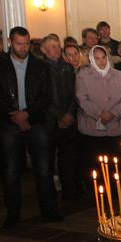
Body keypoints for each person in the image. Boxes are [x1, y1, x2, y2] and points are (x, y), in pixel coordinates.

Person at [0, 27, 62, 227]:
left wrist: (27, 114)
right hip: (9, 122)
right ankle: (13, 212)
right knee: (11, 169)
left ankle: (49, 209)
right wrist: (15, 115)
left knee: (44, 168)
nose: (24, 47)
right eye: (19, 44)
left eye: (27, 43)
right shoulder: (1, 64)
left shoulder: (39, 65)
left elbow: (46, 96)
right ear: (10, 42)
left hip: (36, 121)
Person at [76, 45, 121, 189]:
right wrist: (100, 113)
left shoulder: (119, 75)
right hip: (92, 128)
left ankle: (116, 192)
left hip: (115, 127)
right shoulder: (83, 76)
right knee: (95, 166)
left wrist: (113, 113)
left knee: (116, 165)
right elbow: (82, 99)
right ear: (91, 59)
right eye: (97, 59)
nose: (101, 62)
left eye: (103, 58)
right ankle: (96, 193)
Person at [41, 35, 80, 201]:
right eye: (52, 46)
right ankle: (49, 196)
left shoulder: (67, 67)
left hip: (69, 118)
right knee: (48, 160)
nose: (57, 49)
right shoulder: (39, 68)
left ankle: (69, 192)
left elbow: (74, 93)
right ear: (44, 49)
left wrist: (69, 113)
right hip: (50, 121)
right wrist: (60, 115)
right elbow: (42, 97)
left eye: (58, 46)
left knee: (68, 159)